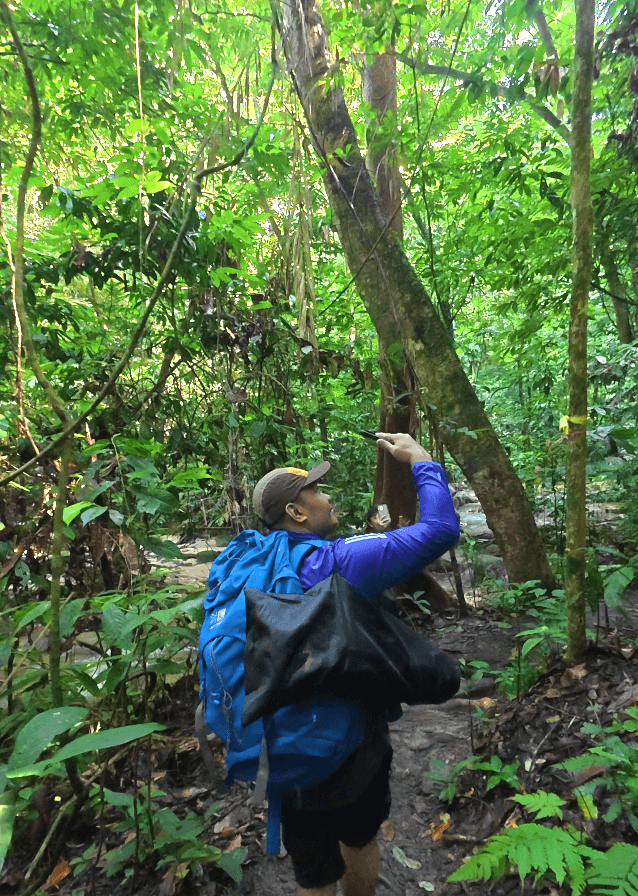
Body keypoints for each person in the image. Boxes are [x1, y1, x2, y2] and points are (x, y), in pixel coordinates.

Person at [250, 432, 460, 896]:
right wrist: (421, 459)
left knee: (311, 869)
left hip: (281, 743)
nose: (327, 497)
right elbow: (441, 529)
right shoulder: (340, 562)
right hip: (351, 741)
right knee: (359, 840)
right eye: (317, 491)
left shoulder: (250, 564)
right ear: (297, 512)